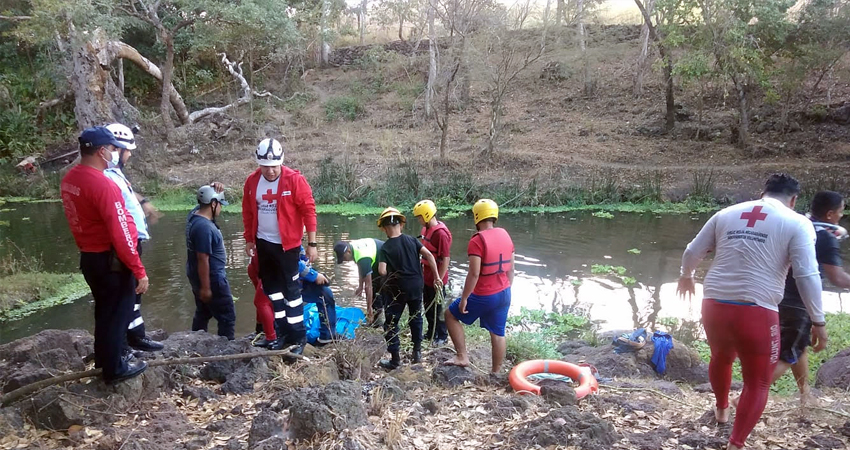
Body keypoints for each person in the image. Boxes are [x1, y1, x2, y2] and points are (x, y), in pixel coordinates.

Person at [677, 173, 827, 450]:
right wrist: (818, 320)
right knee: (757, 382)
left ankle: (722, 410)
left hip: (714, 303)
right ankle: (736, 443)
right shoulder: (797, 222)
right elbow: (807, 275)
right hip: (757, 309)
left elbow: (692, 251)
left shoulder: (727, 213)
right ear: (793, 199)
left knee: (721, 357)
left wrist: (687, 275)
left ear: (763, 191)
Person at [60, 126, 149, 384]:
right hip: (110, 260)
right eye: (112, 148)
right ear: (101, 151)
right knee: (118, 313)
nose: (115, 152)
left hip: (89, 256)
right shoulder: (103, 185)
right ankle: (114, 369)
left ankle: (103, 359)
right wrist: (138, 270)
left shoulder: (70, 179)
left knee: (104, 310)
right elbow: (121, 232)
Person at [243, 138, 318, 355]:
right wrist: (249, 239)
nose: (270, 172)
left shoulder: (294, 180)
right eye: (266, 167)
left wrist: (312, 244)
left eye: (274, 167)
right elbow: (248, 212)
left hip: (288, 246)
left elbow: (309, 211)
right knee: (272, 291)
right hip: (263, 243)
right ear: (259, 164)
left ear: (281, 162)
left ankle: (298, 337)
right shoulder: (252, 182)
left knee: (292, 292)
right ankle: (281, 334)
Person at [773, 191, 849, 404]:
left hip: (774, 294)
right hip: (799, 300)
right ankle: (743, 398)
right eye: (841, 212)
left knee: (799, 345)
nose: (841, 217)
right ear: (830, 214)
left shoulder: (797, 224)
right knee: (787, 355)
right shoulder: (825, 236)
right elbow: (838, 278)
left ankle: (805, 394)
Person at [102, 123, 164, 352]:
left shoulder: (114, 174)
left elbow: (126, 193)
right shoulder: (105, 176)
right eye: (127, 150)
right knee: (126, 292)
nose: (129, 155)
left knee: (133, 292)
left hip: (132, 241)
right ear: (115, 149)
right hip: (123, 244)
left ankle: (136, 336)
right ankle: (124, 343)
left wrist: (143, 202)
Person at [444, 199, 514, 374]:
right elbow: (512, 268)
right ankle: (496, 372)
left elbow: (474, 273)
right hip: (504, 291)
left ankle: (462, 356)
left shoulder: (477, 240)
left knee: (450, 315)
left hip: (485, 294)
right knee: (498, 333)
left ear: (477, 216)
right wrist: (507, 288)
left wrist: (465, 298)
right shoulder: (505, 235)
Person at [376, 207, 441, 369]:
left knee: (391, 322)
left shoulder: (385, 248)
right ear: (401, 226)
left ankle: (395, 360)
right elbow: (429, 256)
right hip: (416, 285)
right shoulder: (412, 240)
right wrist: (437, 277)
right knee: (416, 317)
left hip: (397, 289)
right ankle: (417, 353)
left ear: (384, 228)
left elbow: (382, 270)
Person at [186, 185, 236, 340]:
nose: (221, 208)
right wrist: (206, 288)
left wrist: (213, 188)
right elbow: (203, 258)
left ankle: (195, 341)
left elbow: (202, 200)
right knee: (227, 317)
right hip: (212, 279)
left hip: (196, 275)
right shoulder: (204, 227)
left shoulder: (194, 215)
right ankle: (227, 348)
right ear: (213, 204)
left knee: (203, 311)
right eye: (220, 203)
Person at [413, 200, 452, 346]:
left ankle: (442, 336)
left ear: (426, 215)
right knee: (428, 305)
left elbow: (446, 258)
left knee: (439, 308)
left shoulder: (441, 234)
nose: (419, 220)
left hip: (437, 278)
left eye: (419, 217)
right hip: (427, 275)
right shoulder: (425, 230)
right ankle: (431, 332)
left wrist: (439, 279)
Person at [334, 238, 385, 327]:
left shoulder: (362, 257)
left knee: (376, 287)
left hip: (384, 256)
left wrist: (368, 308)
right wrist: (360, 286)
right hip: (376, 253)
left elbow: (369, 286)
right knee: (373, 286)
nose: (345, 260)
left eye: (344, 257)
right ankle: (376, 315)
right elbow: (360, 267)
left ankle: (377, 319)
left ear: (348, 252)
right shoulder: (352, 247)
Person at [298, 248, 337, 345]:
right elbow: (293, 262)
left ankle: (327, 336)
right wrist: (314, 275)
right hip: (287, 284)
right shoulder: (283, 240)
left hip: (300, 279)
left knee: (325, 294)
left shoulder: (297, 241)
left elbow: (302, 261)